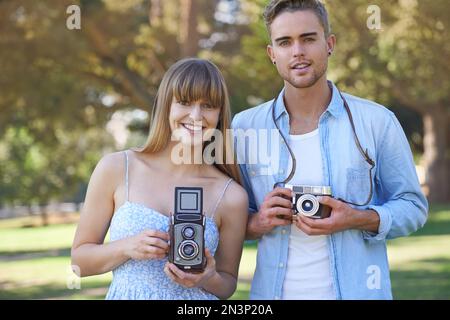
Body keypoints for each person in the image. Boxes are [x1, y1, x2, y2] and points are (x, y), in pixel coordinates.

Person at [231, 0, 428, 300]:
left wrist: (357, 218)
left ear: (329, 44)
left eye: (308, 38)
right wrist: (257, 223)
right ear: (272, 54)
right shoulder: (245, 127)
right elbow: (224, 219)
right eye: (285, 42)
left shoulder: (376, 121)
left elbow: (413, 206)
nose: (297, 51)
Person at [71, 58, 248, 300]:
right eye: (184, 102)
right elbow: (79, 261)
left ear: (219, 114)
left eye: (208, 105)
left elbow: (227, 284)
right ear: (166, 105)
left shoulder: (231, 195)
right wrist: (126, 247)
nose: (196, 115)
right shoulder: (116, 167)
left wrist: (208, 277)